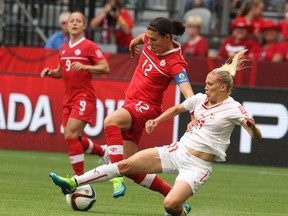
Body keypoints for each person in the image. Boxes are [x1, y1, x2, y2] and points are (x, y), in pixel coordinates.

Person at [49, 50, 262, 216]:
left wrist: (252, 128)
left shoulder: (233, 108)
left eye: (210, 84)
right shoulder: (199, 99)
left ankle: (181, 211)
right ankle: (74, 182)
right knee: (125, 164)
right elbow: (178, 108)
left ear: (223, 87)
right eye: (205, 83)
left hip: (197, 166)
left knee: (170, 205)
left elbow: (256, 136)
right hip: (177, 151)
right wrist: (155, 120)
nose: (205, 87)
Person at [40, 12, 110, 177]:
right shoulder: (64, 48)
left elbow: (105, 68)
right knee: (72, 137)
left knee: (71, 133)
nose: (74, 24)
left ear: (84, 26)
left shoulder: (89, 46)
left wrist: (87, 67)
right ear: (67, 24)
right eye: (71, 21)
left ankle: (78, 178)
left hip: (85, 97)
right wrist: (51, 72)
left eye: (79, 21)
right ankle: (103, 152)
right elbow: (61, 71)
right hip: (69, 99)